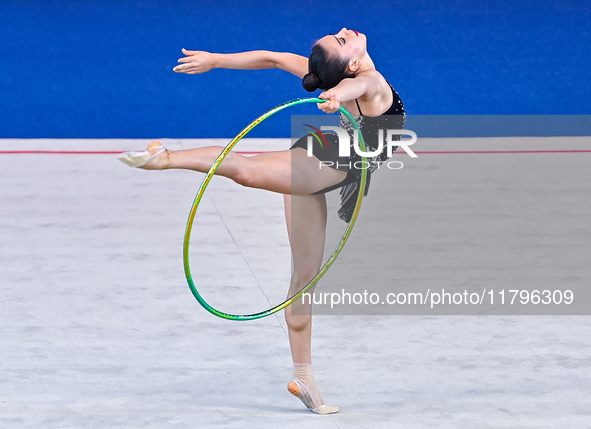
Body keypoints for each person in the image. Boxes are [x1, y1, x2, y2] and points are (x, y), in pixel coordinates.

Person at [118, 27, 405, 414]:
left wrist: (215, 60)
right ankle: (166, 158)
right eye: (340, 39)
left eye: (337, 37)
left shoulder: (354, 78)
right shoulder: (366, 81)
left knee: (304, 279)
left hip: (322, 168)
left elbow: (272, 57)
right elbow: (353, 90)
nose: (343, 31)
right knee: (247, 170)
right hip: (323, 161)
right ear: (352, 63)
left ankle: (304, 376)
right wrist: (336, 97)